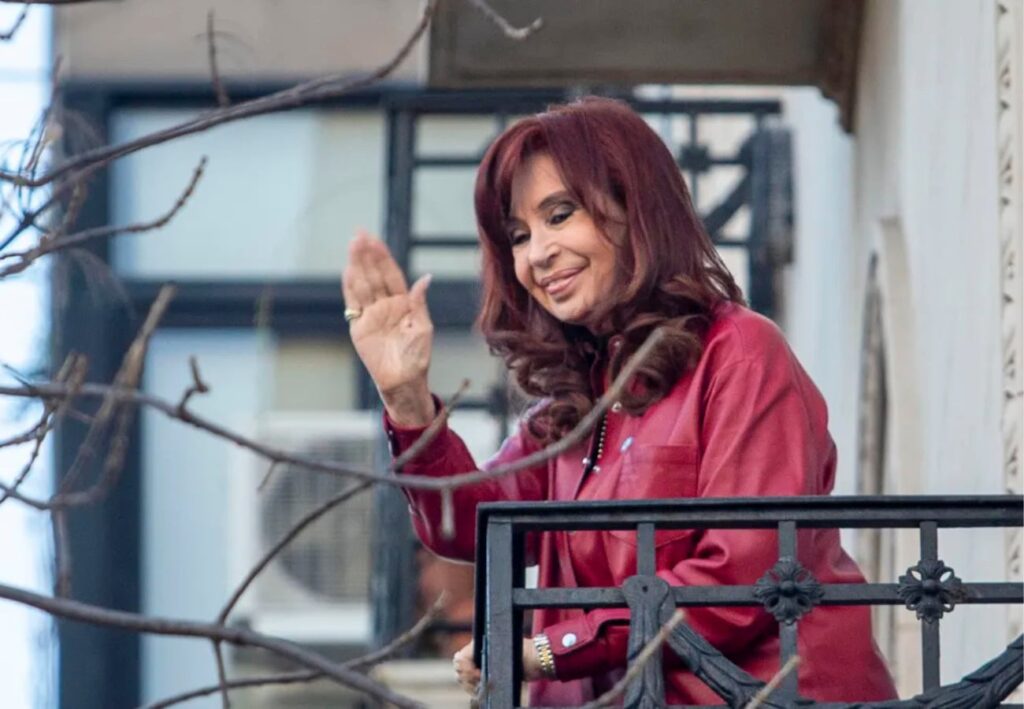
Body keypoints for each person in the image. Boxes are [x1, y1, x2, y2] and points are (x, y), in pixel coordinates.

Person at [341, 97, 897, 705]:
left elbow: (740, 579)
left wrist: (550, 650)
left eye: (560, 215)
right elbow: (475, 528)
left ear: (637, 210)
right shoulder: (570, 407)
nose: (537, 254)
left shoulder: (738, 352)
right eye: (519, 236)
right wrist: (407, 400)